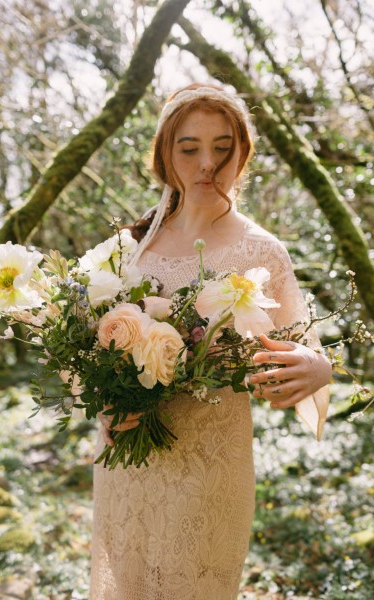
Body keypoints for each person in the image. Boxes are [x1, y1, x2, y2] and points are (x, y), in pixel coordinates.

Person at [89, 83, 332, 599]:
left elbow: (302, 346)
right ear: (165, 155)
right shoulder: (130, 245)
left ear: (243, 153)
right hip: (127, 467)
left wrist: (319, 367)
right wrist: (107, 405)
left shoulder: (262, 252)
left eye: (222, 148)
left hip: (209, 470)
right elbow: (88, 350)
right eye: (189, 147)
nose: (206, 164)